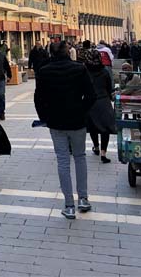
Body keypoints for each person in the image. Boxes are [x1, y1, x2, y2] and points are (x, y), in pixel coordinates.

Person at [35, 40, 96, 220]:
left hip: (56, 122)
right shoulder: (79, 69)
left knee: (62, 161)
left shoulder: (44, 72)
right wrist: (82, 111)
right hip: (77, 121)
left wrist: (45, 117)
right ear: (68, 52)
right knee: (80, 157)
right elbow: (91, 95)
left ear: (51, 53)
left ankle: (69, 205)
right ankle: (83, 199)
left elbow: (38, 98)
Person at [80, 48, 116, 163]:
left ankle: (96, 146)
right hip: (103, 101)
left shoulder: (84, 71)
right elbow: (109, 87)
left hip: (90, 102)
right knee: (104, 128)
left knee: (93, 127)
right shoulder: (105, 71)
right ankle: (103, 153)